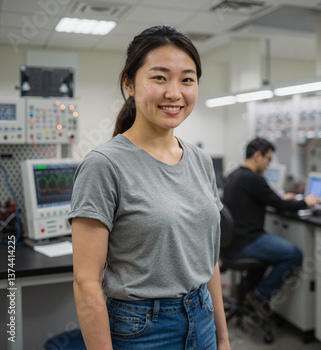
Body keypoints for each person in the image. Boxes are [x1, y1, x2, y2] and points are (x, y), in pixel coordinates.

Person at [69, 25, 231, 350]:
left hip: (203, 317)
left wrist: (223, 337)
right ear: (129, 83)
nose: (174, 92)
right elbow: (86, 282)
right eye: (159, 78)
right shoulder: (104, 165)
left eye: (187, 79)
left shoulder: (200, 160)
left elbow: (206, 259)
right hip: (142, 329)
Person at [222, 137, 319, 322]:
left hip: (232, 243)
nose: (268, 164)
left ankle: (249, 292)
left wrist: (284, 199)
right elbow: (278, 205)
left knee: (271, 255)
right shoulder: (253, 178)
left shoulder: (235, 175)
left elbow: (268, 200)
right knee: (294, 255)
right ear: (257, 156)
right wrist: (305, 202)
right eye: (268, 159)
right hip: (246, 242)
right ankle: (260, 295)